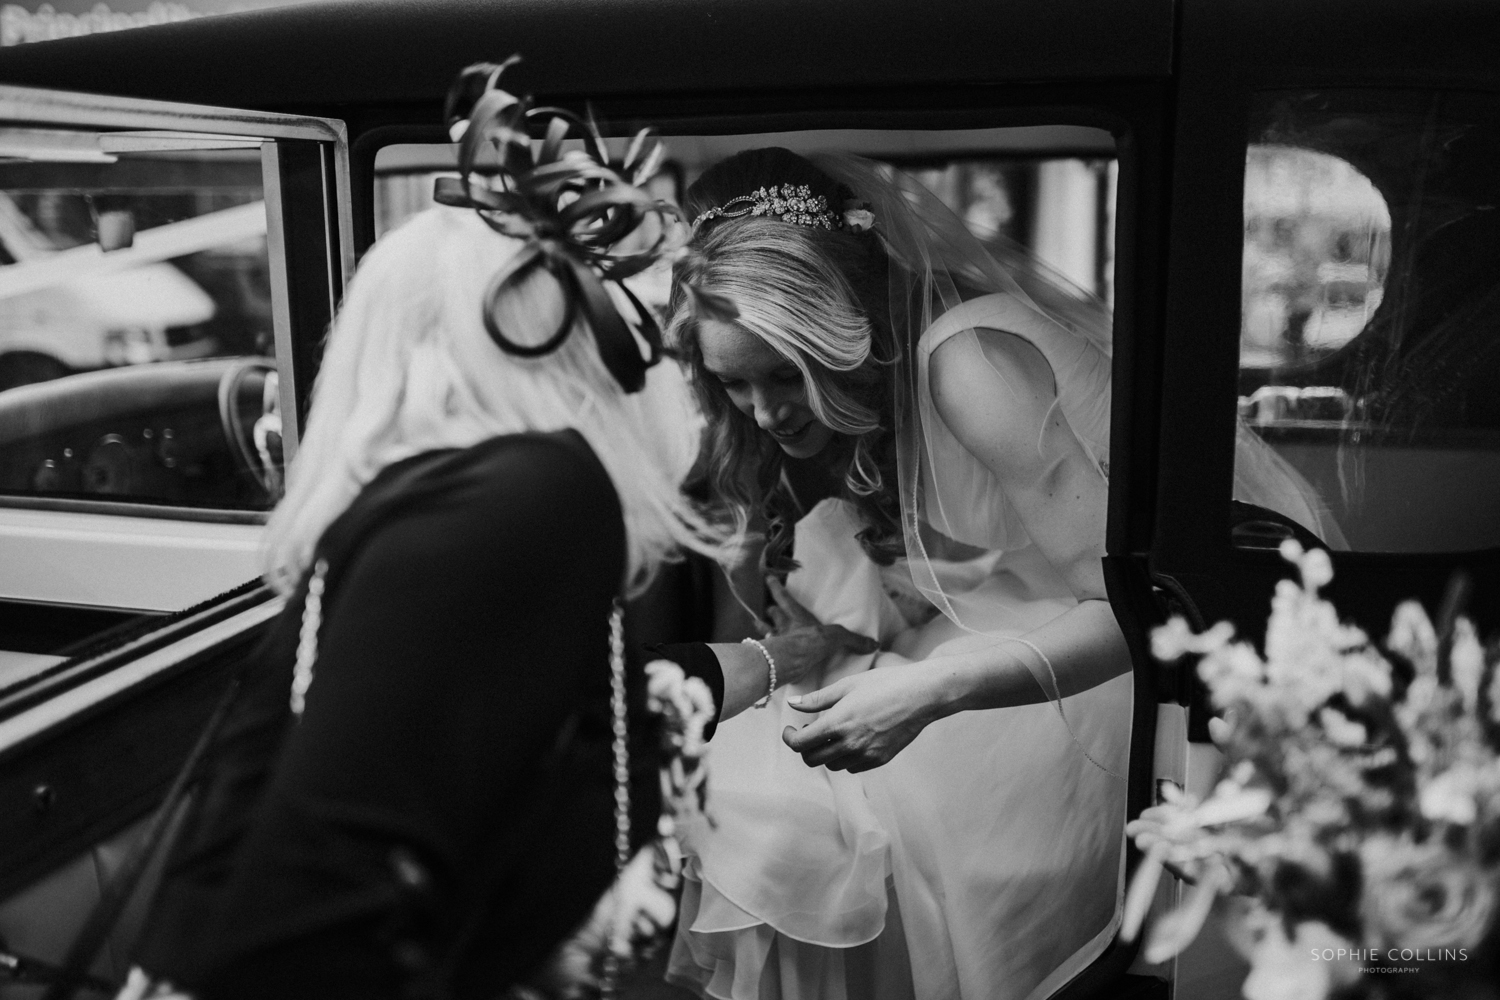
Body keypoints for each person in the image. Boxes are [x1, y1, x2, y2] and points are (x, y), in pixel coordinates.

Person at [658, 147, 1341, 1000]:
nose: (764, 412)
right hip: (1037, 606)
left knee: (846, 814)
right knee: (761, 784)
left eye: (782, 377)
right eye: (734, 385)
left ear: (840, 330)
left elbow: (1139, 606)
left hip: (1177, 638)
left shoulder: (969, 366)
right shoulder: (877, 375)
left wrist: (933, 693)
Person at [120, 64, 730, 1000]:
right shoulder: (529, 499)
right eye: (646, 315)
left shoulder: (456, 511)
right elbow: (311, 947)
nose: (668, 359)